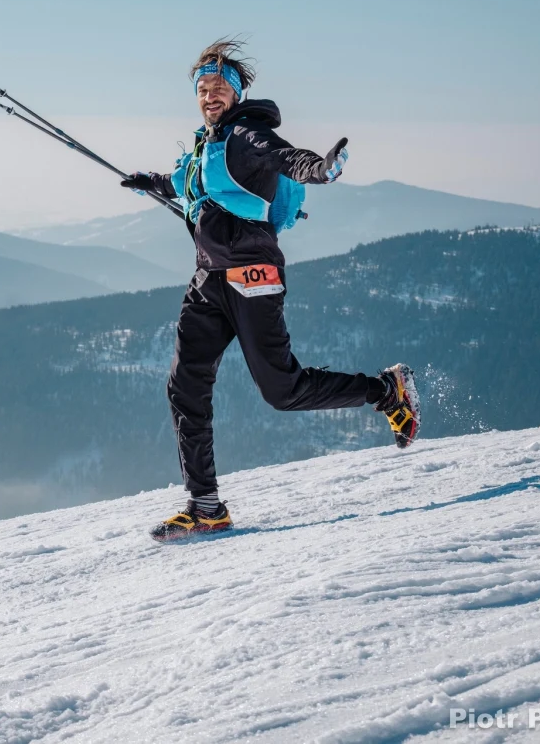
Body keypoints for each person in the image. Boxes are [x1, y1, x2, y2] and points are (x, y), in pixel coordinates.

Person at [121, 39, 420, 542]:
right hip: (207, 278)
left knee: (282, 390)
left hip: (251, 277)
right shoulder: (206, 142)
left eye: (219, 88)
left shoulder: (247, 135)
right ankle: (206, 505)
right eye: (202, 89)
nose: (210, 95)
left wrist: (320, 169)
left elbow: (287, 159)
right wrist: (153, 181)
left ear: (235, 93)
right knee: (185, 385)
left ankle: (386, 390)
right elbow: (191, 182)